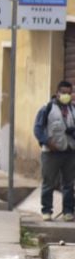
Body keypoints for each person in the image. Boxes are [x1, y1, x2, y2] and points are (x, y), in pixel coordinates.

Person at [33, 81, 75, 222]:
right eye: (63, 92)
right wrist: (47, 142)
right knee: (48, 182)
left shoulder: (73, 110)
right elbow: (38, 129)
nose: (66, 96)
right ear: (57, 93)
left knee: (68, 184)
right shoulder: (47, 108)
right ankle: (46, 211)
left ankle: (68, 211)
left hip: (69, 152)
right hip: (51, 153)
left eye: (69, 93)